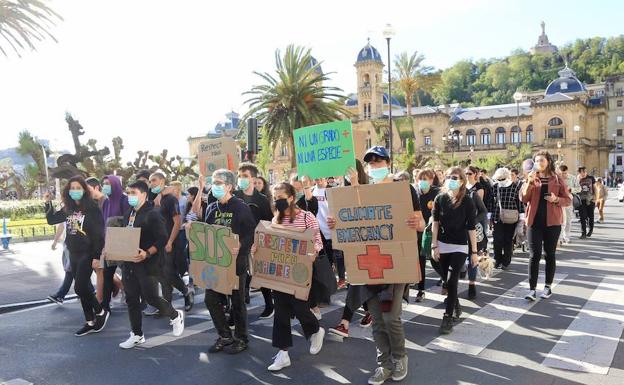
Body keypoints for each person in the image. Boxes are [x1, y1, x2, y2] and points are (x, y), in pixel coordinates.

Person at [345, 146, 424, 385]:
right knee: (377, 319)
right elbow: (350, 221)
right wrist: (336, 220)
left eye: (379, 162)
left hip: (396, 262)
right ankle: (384, 364)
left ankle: (400, 357)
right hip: (370, 263)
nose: (375, 166)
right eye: (371, 163)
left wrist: (415, 221)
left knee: (391, 318)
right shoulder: (363, 192)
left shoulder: (405, 189)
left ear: (388, 163)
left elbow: (420, 224)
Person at [264, 182, 325, 371]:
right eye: (275, 198)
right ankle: (283, 354)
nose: (278, 201)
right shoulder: (276, 219)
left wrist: (312, 253)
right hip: (282, 272)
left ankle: (315, 330)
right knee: (281, 311)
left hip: (301, 271)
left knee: (300, 307)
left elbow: (318, 242)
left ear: (291, 198)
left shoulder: (307, 217)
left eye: (281, 197)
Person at [118, 180, 185, 349]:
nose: (130, 196)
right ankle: (137, 334)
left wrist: (147, 253)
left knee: (151, 298)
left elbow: (162, 238)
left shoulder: (153, 214)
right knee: (131, 299)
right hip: (129, 263)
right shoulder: (128, 214)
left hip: (148, 264)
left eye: (134, 193)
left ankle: (175, 315)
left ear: (144, 194)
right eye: (129, 193)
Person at [198, 169, 256, 354]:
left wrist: (240, 246)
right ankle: (224, 335)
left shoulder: (241, 208)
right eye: (213, 182)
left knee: (237, 303)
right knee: (210, 299)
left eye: (218, 183)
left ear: (229, 186)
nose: (214, 186)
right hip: (215, 264)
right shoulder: (211, 207)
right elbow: (207, 231)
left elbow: (251, 234)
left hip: (236, 264)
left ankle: (241, 338)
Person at [44, 176, 109, 336]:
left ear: (84, 190)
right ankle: (90, 321)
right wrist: (47, 202)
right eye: (72, 188)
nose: (75, 191)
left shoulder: (92, 208)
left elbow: (98, 235)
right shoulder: (69, 208)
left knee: (79, 287)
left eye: (78, 188)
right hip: (73, 252)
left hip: (87, 253)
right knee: (85, 287)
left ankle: (101, 311)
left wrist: (96, 256)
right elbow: (52, 220)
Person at [431, 167, 478, 335]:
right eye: (450, 176)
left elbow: (471, 228)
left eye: (456, 177)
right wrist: (434, 245)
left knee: (452, 281)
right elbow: (435, 223)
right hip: (442, 244)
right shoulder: (440, 198)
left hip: (460, 246)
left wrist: (474, 252)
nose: (452, 179)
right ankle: (455, 302)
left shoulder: (468, 201)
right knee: (447, 280)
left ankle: (447, 317)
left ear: (462, 181)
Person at [520, 151, 570, 301]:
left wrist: (556, 199)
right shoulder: (531, 177)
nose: (539, 162)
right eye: (536, 160)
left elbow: (567, 200)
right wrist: (529, 181)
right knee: (534, 255)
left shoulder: (557, 179)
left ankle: (547, 287)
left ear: (548, 161)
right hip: (534, 222)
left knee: (549, 254)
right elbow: (523, 198)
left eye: (542, 160)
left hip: (552, 222)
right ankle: (532, 289)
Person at [235, 163, 274, 319]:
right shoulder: (234, 196)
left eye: (245, 176)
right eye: (239, 176)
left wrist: (259, 242)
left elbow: (267, 222)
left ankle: (269, 305)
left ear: (253, 178)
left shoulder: (262, 199)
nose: (241, 179)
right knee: (239, 277)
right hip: (237, 242)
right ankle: (237, 309)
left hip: (257, 243)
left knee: (259, 274)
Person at [149, 172, 193, 311]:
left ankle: (186, 291)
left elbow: (177, 222)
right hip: (158, 242)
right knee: (161, 273)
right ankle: (167, 306)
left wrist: (169, 242)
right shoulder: (156, 199)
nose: (152, 184)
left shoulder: (170, 199)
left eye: (154, 180)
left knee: (168, 272)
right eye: (150, 181)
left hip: (170, 242)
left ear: (162, 181)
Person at [100, 175, 129, 312]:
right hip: (108, 244)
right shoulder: (106, 202)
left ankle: (130, 296)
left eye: (108, 183)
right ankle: (105, 305)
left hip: (122, 243)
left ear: (115, 185)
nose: (105, 186)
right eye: (104, 183)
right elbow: (103, 223)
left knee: (127, 273)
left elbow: (127, 221)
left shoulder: (124, 200)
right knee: (107, 275)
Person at [47, 223, 95, 304]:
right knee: (77, 270)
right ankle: (89, 291)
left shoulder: (69, 211)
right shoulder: (73, 211)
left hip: (73, 244)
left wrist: (55, 241)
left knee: (71, 269)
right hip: (75, 244)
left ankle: (60, 295)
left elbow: (62, 225)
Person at [489, 168, 524, 270]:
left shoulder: (515, 187)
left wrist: (522, 217)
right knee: (497, 240)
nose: (500, 180)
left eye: (502, 178)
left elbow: (519, 203)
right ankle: (497, 260)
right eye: (498, 179)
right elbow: (491, 202)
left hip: (511, 218)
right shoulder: (494, 187)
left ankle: (506, 261)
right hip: (497, 217)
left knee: (508, 240)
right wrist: (489, 217)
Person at [414, 169, 441, 302]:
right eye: (421, 179)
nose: (423, 182)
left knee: (435, 261)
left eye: (426, 179)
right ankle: (421, 290)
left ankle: (446, 280)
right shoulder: (415, 193)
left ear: (431, 180)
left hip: (432, 232)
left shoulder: (437, 193)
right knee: (420, 261)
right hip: (418, 232)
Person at [85, 177, 110, 304]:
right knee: (99, 269)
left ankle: (100, 299)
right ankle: (121, 287)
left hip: (103, 240)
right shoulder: (92, 202)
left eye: (88, 189)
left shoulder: (105, 201)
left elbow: (105, 223)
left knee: (100, 269)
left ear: (96, 188)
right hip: (93, 241)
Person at [558, 165, 579, 244]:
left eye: (565, 173)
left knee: (568, 220)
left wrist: (571, 189)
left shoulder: (573, 178)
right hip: (559, 202)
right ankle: (560, 237)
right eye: (561, 173)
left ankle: (566, 236)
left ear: (567, 171)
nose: (563, 175)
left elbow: (579, 188)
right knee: (560, 221)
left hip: (568, 202)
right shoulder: (557, 179)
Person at [577, 167, 596, 238]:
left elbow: (595, 188)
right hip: (581, 200)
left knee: (590, 216)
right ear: (579, 173)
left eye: (584, 172)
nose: (583, 173)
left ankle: (590, 230)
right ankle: (583, 233)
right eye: (581, 172)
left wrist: (595, 198)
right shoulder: (578, 179)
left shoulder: (591, 178)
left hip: (590, 200)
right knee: (582, 217)